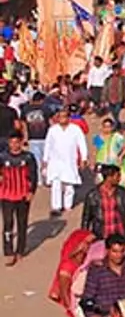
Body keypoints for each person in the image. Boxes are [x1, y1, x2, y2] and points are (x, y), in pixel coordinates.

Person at [81, 233, 125, 316]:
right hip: (105, 315)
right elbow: (88, 298)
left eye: (122, 251)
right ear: (107, 250)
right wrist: (92, 316)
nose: (119, 255)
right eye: (115, 251)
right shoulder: (97, 270)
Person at [0, 132, 38, 265]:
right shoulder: (2, 157)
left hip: (22, 194)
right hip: (6, 194)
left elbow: (34, 176)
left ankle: (20, 250)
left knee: (22, 223)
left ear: (21, 142)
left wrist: (31, 192)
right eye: (12, 142)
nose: (14, 145)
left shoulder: (28, 157)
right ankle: (8, 252)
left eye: (16, 142)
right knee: (8, 223)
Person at [81, 164, 125, 243]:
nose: (119, 179)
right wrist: (84, 235)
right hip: (101, 235)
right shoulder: (92, 195)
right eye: (117, 176)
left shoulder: (123, 193)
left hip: (120, 234)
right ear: (109, 177)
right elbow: (86, 218)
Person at [44, 108, 87, 216]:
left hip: (70, 161)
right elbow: (48, 145)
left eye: (64, 116)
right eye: (60, 117)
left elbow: (82, 144)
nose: (62, 119)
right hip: (55, 161)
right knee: (56, 183)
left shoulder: (75, 129)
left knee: (69, 184)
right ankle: (56, 206)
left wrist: (84, 158)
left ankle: (68, 205)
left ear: (68, 118)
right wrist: (45, 159)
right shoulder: (53, 130)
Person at [49, 228, 94, 317]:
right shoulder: (68, 266)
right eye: (87, 244)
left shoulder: (86, 260)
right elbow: (64, 292)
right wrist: (74, 313)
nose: (89, 247)